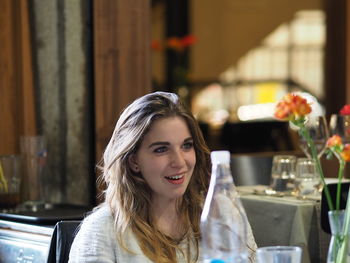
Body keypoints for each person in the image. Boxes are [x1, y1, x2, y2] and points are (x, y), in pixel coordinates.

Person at [68, 92, 257, 262]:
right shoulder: (100, 231)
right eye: (161, 149)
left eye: (186, 145)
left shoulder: (223, 212)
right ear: (133, 161)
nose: (179, 162)